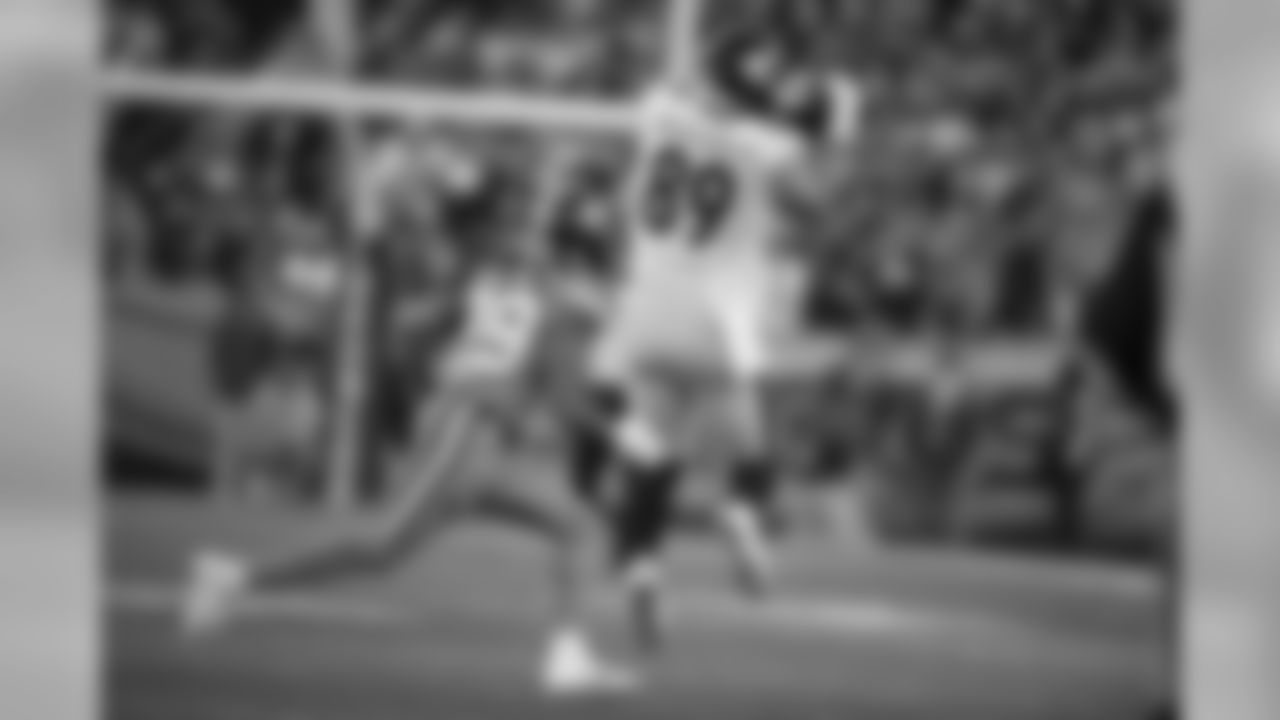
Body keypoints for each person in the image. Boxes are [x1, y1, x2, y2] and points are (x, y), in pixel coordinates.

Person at [182, 138, 639, 697]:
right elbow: (557, 388)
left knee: (569, 526)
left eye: (532, 216)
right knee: (382, 545)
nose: (528, 227)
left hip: (479, 437)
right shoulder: (527, 284)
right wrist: (620, 434)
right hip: (466, 428)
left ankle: (567, 658)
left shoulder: (521, 282)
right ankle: (232, 577)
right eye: (520, 215)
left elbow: (453, 340)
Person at [576, 26, 865, 651]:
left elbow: (682, 90)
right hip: (712, 321)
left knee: (654, 452)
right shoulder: (767, 144)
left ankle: (643, 569)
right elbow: (818, 201)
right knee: (750, 449)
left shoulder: (661, 115)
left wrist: (721, 79)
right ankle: (742, 510)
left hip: (644, 313)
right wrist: (838, 129)